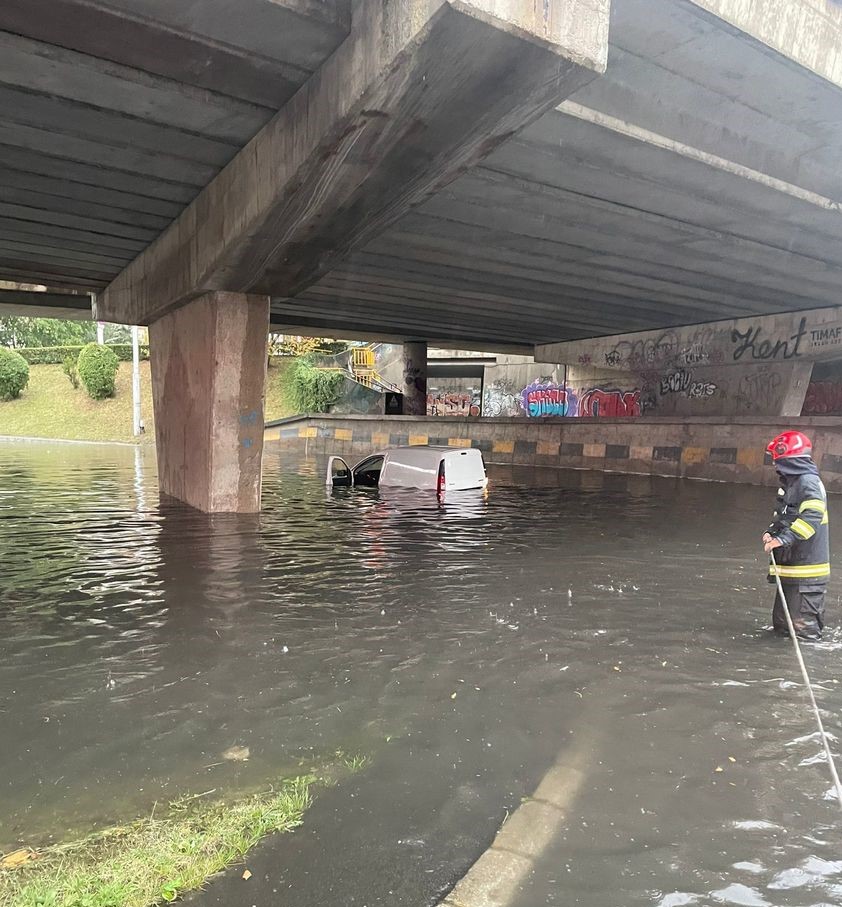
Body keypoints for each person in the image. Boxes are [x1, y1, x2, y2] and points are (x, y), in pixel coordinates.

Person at [763, 430, 830, 640]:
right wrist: (772, 532)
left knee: (803, 634)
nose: (775, 464)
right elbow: (785, 515)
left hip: (807, 576)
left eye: (777, 459)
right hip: (792, 572)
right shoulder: (791, 485)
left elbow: (812, 516)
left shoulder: (808, 482)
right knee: (783, 630)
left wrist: (783, 539)